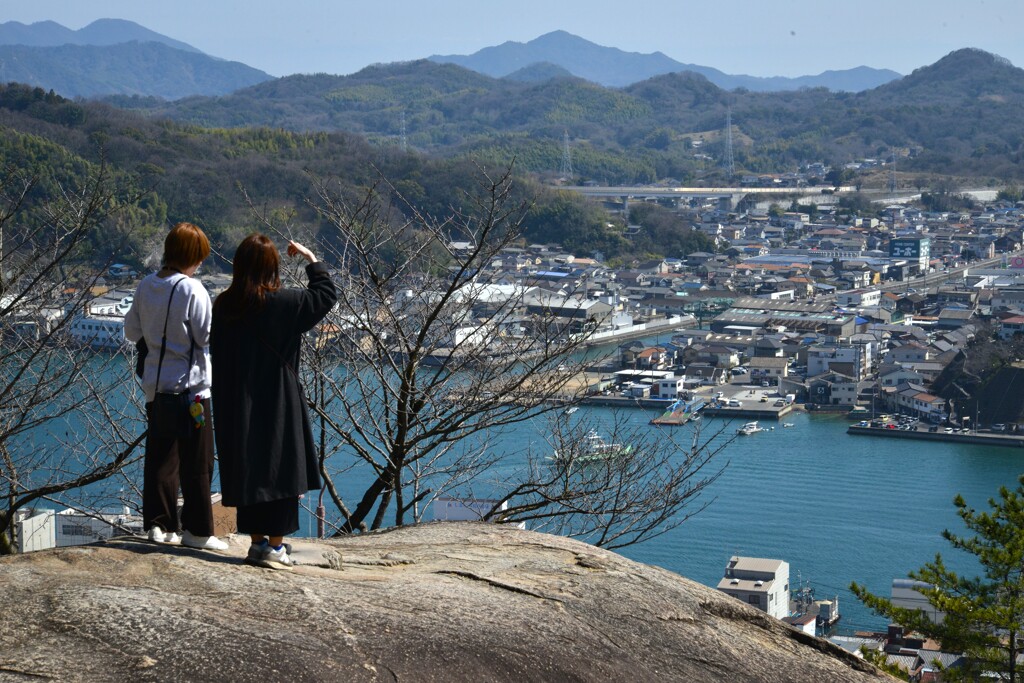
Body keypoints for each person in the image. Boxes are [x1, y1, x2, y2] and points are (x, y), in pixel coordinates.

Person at [211, 234, 337, 569]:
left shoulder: (225, 305)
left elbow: (218, 354)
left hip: (238, 397)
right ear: (272, 267)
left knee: (248, 467)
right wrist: (312, 259)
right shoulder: (286, 302)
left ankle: (256, 544)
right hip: (279, 395)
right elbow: (325, 295)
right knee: (281, 467)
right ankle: (276, 547)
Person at [124, 222, 229, 551]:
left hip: (156, 387)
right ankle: (197, 532)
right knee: (197, 461)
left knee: (160, 458)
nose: (200, 264)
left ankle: (160, 526)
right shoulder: (193, 290)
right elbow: (207, 337)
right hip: (192, 391)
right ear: (191, 256)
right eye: (199, 257)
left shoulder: (145, 286)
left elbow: (131, 330)